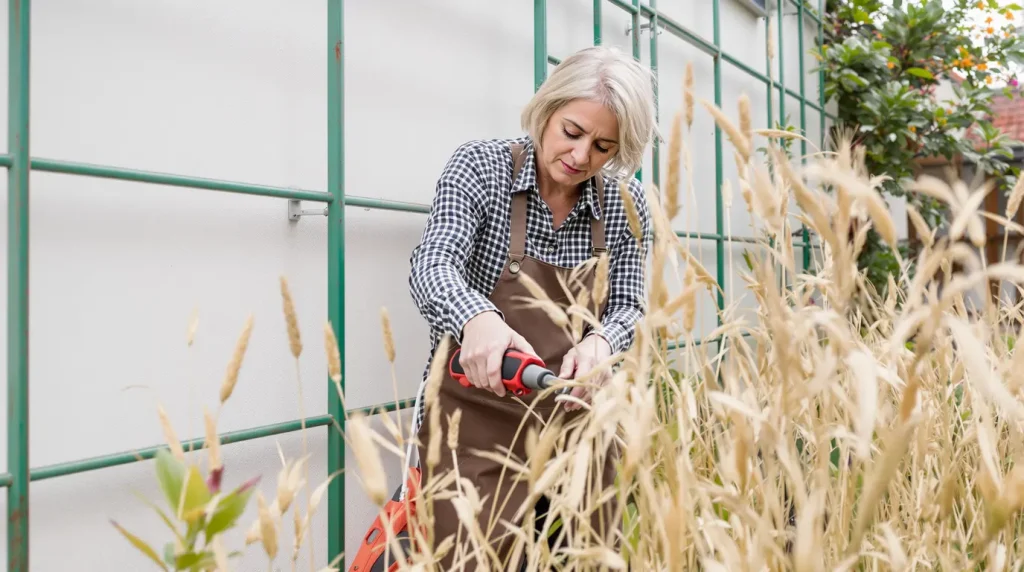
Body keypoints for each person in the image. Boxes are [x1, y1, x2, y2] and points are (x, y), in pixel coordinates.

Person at [406, 45, 656, 570]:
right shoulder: (480, 167)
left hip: (579, 423)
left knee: (586, 558)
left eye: (603, 146)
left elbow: (630, 306)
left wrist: (602, 344)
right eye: (572, 132)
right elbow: (433, 263)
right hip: (474, 422)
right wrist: (477, 319)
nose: (581, 156)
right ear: (547, 108)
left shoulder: (625, 204)